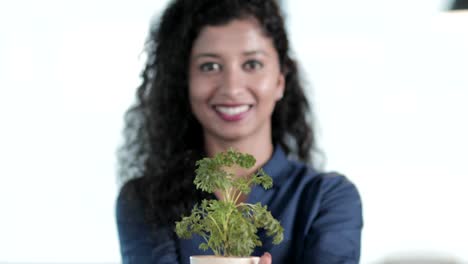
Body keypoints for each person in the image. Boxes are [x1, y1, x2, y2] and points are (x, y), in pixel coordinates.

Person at [116, 0, 363, 263]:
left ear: (281, 80)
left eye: (252, 64)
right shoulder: (145, 201)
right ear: (185, 81)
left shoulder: (326, 199)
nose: (232, 88)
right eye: (209, 66)